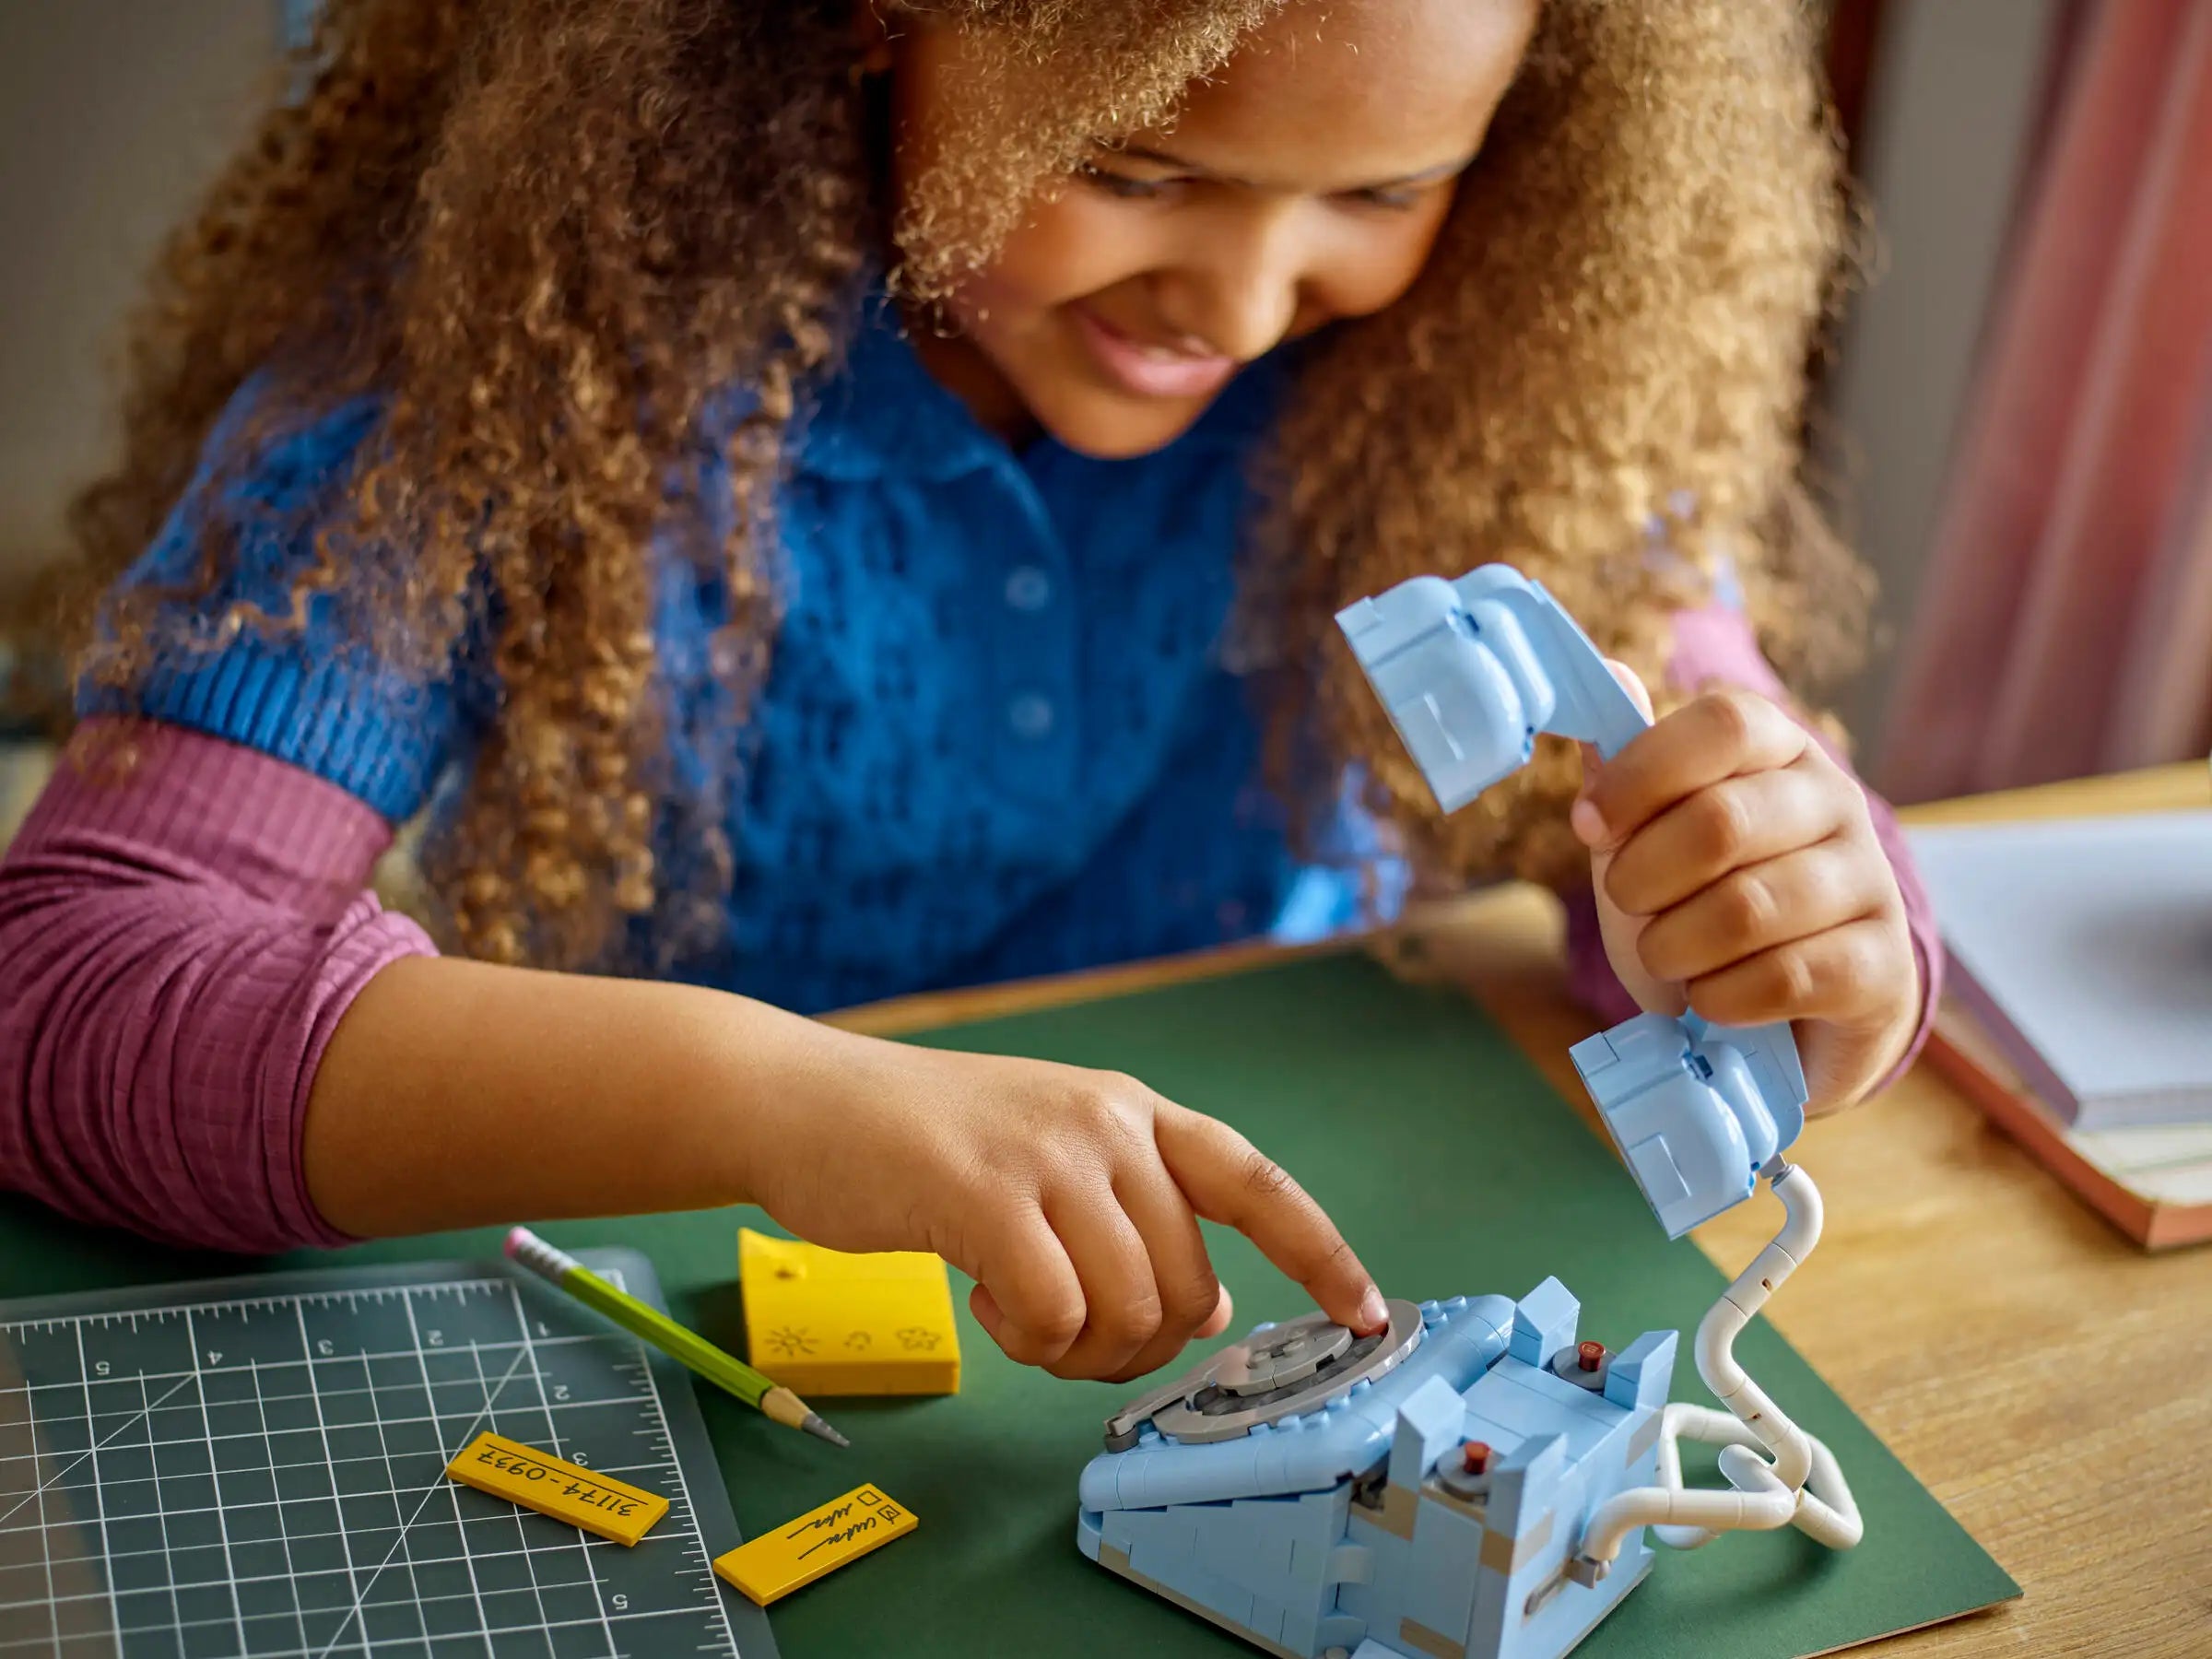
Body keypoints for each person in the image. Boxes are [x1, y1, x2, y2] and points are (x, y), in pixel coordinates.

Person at [0, 0, 1938, 1387]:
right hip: (683, 1315)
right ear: (873, 23)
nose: (1240, 303)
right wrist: (776, 1097)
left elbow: (1723, 848)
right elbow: (73, 985)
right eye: (1135, 166)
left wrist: (1801, 943)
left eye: (1383, 190)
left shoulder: (1504, 382)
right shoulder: (493, 373)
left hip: (1297, 1302)